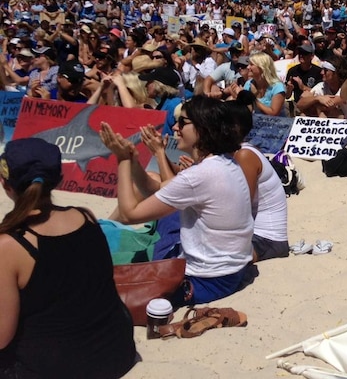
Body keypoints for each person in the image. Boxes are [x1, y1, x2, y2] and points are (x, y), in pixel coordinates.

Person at [0, 138, 136, 379]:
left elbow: (2, 336)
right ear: (58, 180)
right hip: (116, 352)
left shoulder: (9, 246)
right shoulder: (86, 217)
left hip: (59, 367)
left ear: (5, 184)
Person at [99, 96, 254, 305]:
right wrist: (135, 161)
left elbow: (128, 214)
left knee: (101, 248)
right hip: (231, 272)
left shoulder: (200, 175)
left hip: (204, 281)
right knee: (166, 216)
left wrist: (123, 160)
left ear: (203, 127)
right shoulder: (225, 163)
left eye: (183, 122)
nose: (175, 128)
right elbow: (159, 190)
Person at [228, 91, 290, 262]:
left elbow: (242, 205)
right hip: (256, 233)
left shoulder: (244, 155)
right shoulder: (235, 153)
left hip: (267, 238)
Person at [240, 52, 287, 116]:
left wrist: (253, 98)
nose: (248, 67)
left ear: (262, 67)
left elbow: (274, 113)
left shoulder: (277, 87)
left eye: (251, 64)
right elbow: (246, 111)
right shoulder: (248, 84)